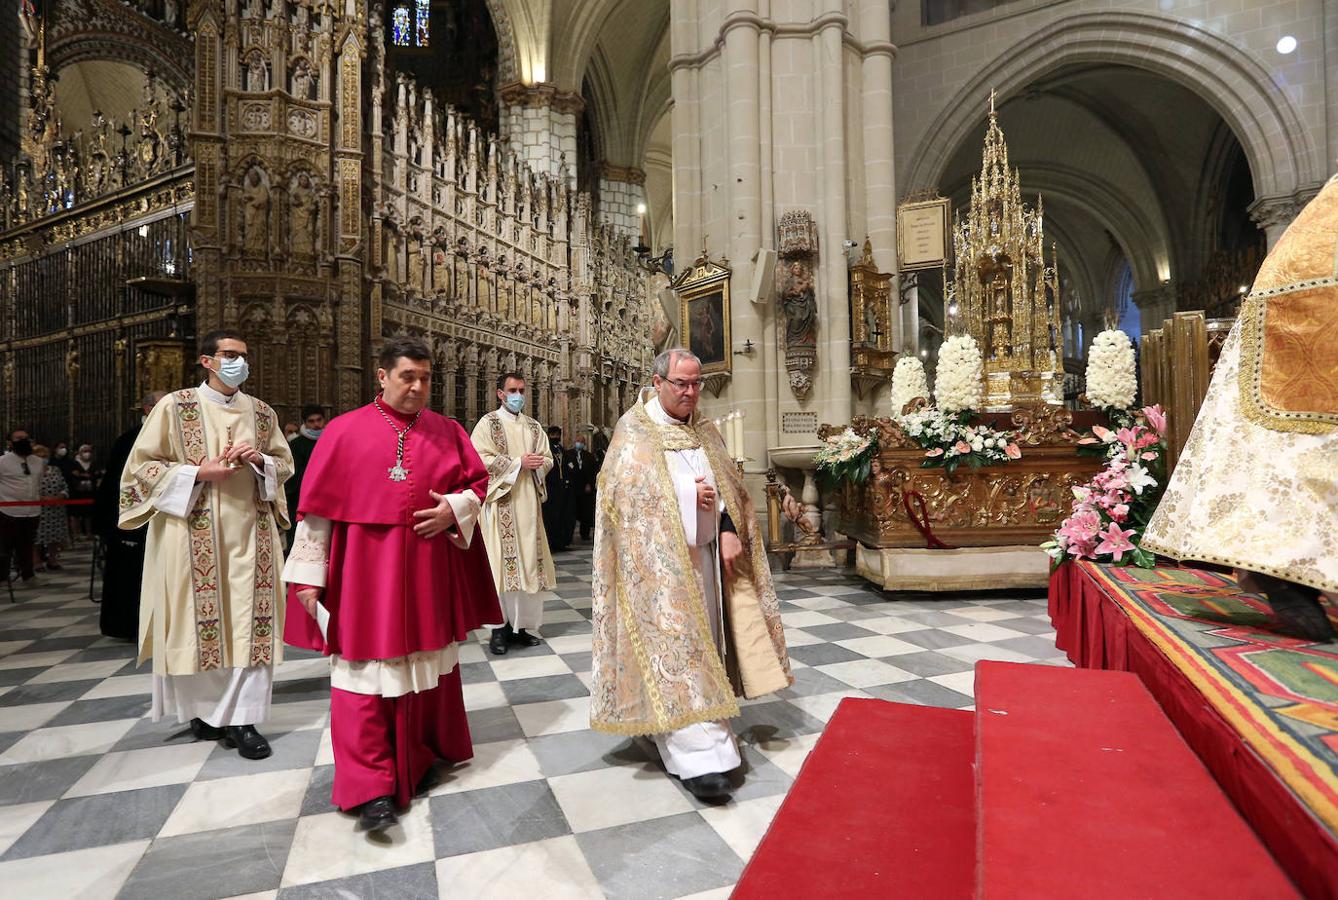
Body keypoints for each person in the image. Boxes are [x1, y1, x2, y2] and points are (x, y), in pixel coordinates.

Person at [283, 337, 501, 832]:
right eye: (408, 377)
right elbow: (317, 510)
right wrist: (310, 577)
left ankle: (417, 759)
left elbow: (478, 486)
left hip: (428, 572)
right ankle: (370, 787)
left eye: (425, 378)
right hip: (364, 575)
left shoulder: (447, 430)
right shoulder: (344, 431)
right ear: (381, 377)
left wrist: (453, 507)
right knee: (363, 677)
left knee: (421, 674)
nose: (418, 387)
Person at [1143, 175, 1338, 642]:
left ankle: (1284, 565)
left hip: (1300, 277)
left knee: (1294, 446)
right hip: (1309, 287)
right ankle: (1286, 568)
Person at [590, 348, 791, 799]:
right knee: (678, 649)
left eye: (696, 383)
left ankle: (711, 736)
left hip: (706, 562)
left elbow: (728, 487)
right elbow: (620, 492)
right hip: (658, 570)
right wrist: (685, 494)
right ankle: (697, 754)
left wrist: (725, 527)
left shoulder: (704, 428)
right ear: (657, 382)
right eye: (681, 383)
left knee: (708, 646)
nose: (690, 392)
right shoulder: (634, 430)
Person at [119, 330, 293, 759]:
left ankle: (243, 719)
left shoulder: (263, 412)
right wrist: (197, 474)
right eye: (229, 355)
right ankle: (204, 712)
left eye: (243, 356)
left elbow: (284, 464)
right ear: (207, 361)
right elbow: (141, 467)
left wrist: (260, 461)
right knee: (195, 625)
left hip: (253, 535)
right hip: (191, 535)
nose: (238, 363)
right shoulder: (174, 407)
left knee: (251, 624)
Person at [470, 373, 557, 656]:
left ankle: (520, 628)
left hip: (528, 506)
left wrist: (538, 464)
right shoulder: (488, 424)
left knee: (528, 566)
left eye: (521, 390)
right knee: (501, 569)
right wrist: (517, 463)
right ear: (500, 394)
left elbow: (547, 458)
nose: (518, 394)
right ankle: (499, 629)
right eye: (512, 390)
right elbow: (478, 459)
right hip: (500, 505)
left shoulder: (533, 427)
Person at [95, 391, 165, 640]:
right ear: (147, 409)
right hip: (133, 520)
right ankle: (129, 626)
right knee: (129, 576)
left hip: (162, 516)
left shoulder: (166, 436)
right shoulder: (130, 440)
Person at [0, 429, 45, 588]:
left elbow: (38, 484)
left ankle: (28, 574)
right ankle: (2, 576)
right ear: (10, 442)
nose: (24, 441)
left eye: (26, 438)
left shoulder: (38, 461)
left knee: (27, 544)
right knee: (5, 545)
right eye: (19, 438)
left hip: (32, 511)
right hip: (8, 511)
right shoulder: (2, 462)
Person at [284, 404, 325, 548]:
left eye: (319, 420)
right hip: (301, 498)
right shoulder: (296, 444)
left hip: (326, 497)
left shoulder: (329, 439)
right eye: (311, 421)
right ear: (305, 423)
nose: (316, 425)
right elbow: (292, 473)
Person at [32, 444, 69, 571]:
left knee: (55, 536)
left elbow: (64, 486)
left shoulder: (55, 470)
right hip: (39, 510)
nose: (43, 458)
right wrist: (42, 498)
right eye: (39, 456)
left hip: (56, 509)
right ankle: (36, 562)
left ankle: (52, 559)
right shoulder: (30, 472)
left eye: (45, 456)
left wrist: (61, 495)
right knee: (36, 538)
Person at [542, 425, 573, 553]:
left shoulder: (560, 449)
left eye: (557, 435)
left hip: (561, 487)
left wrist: (566, 479)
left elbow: (566, 464)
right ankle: (551, 543)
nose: (555, 437)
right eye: (553, 435)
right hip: (551, 487)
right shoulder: (547, 449)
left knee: (561, 515)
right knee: (551, 517)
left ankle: (560, 542)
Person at [565, 431, 599, 542]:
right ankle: (568, 535)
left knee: (586, 512)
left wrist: (590, 484)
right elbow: (566, 470)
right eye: (578, 441)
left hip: (586, 488)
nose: (579, 443)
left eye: (581, 442)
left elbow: (593, 472)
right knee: (571, 512)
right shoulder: (568, 454)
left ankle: (585, 533)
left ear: (584, 444)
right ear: (575, 442)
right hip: (572, 488)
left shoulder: (589, 456)